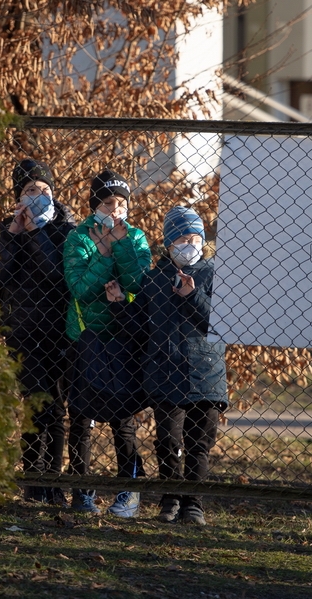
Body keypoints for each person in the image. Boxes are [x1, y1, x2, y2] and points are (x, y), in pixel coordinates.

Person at [108, 206, 228, 526]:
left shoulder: (214, 274)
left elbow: (219, 324)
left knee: (199, 442)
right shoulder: (154, 279)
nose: (189, 245)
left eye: (194, 238)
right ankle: (170, 497)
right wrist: (120, 306)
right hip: (164, 371)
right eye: (181, 239)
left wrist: (191, 296)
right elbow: (138, 327)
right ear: (168, 244)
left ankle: (193, 503)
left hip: (205, 372)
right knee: (168, 441)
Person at [64, 169, 152, 516]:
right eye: (107, 202)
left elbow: (139, 282)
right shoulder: (78, 238)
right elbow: (80, 289)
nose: (115, 209)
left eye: (121, 203)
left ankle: (127, 491)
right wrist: (101, 255)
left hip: (123, 338)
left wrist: (122, 246)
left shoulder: (136, 237)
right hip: (84, 338)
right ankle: (81, 491)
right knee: (81, 417)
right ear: (94, 205)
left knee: (123, 420)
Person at [0, 158, 76, 506]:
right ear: (18, 197)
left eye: (44, 190)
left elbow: (57, 277)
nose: (39, 195)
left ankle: (53, 480)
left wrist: (35, 233)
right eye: (30, 190)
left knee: (56, 409)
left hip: (58, 331)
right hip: (23, 332)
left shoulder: (64, 229)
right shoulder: (5, 230)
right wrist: (13, 235)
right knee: (32, 406)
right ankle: (32, 481)